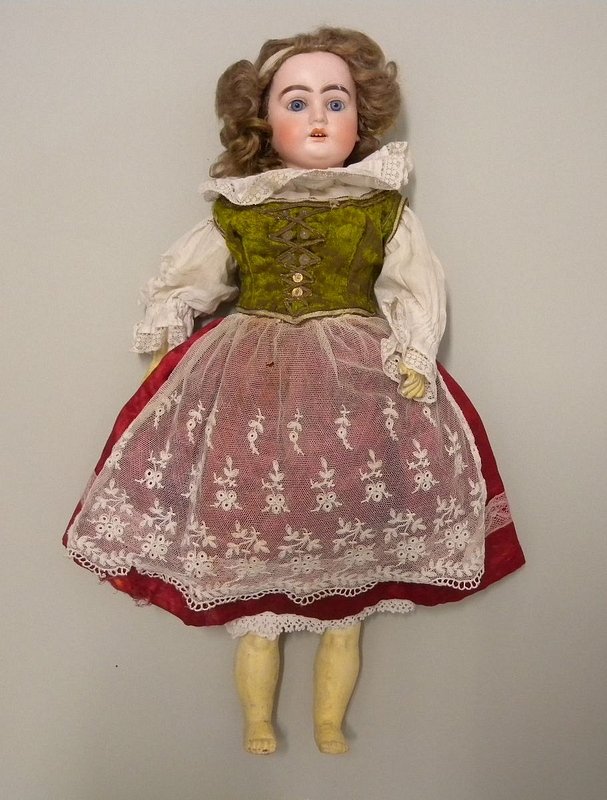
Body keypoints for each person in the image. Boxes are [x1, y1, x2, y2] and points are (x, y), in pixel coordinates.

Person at [64, 27, 524, 755]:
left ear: (361, 119)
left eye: (335, 103)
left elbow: (412, 287)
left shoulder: (381, 209)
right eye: (296, 101)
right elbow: (190, 280)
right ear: (262, 121)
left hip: (357, 383)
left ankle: (329, 721)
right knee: (255, 573)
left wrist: (413, 352)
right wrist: (167, 336)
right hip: (248, 375)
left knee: (348, 593)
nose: (316, 118)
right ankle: (257, 719)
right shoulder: (238, 208)